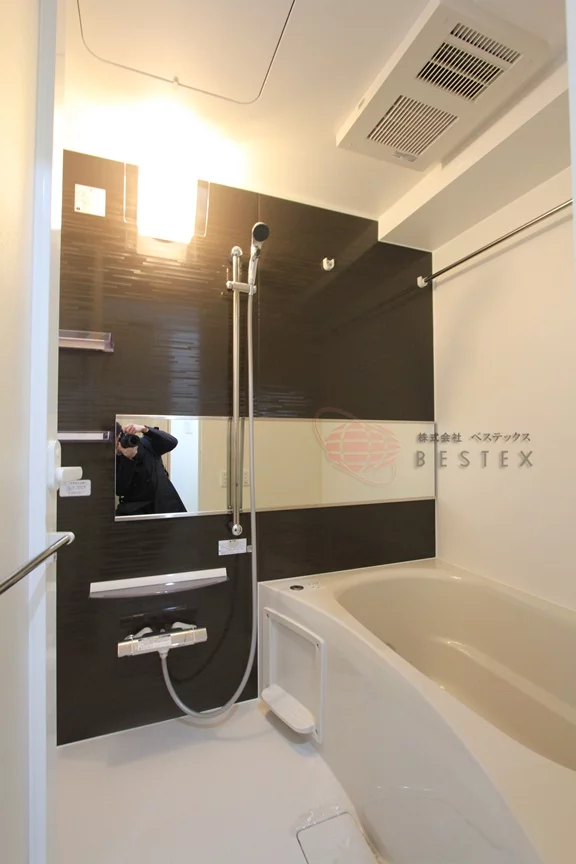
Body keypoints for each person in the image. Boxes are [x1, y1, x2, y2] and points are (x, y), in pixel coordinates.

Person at [115, 422, 187, 516]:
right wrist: (128, 459)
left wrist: (145, 429)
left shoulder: (146, 443)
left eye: (119, 436)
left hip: (165, 505)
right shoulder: (112, 460)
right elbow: (120, 490)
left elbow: (172, 442)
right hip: (136, 512)